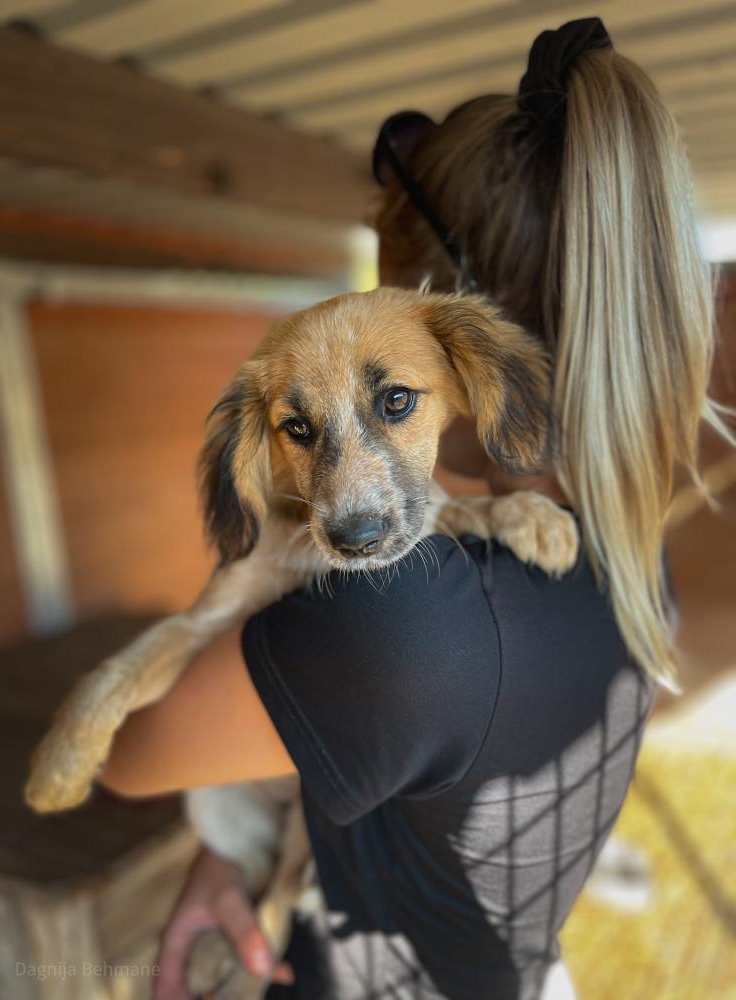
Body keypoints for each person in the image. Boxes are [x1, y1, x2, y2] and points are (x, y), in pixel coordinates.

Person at [99, 18, 730, 1000]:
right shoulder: (624, 548)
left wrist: (261, 565)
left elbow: (124, 752)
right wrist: (228, 855)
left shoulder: (404, 621)